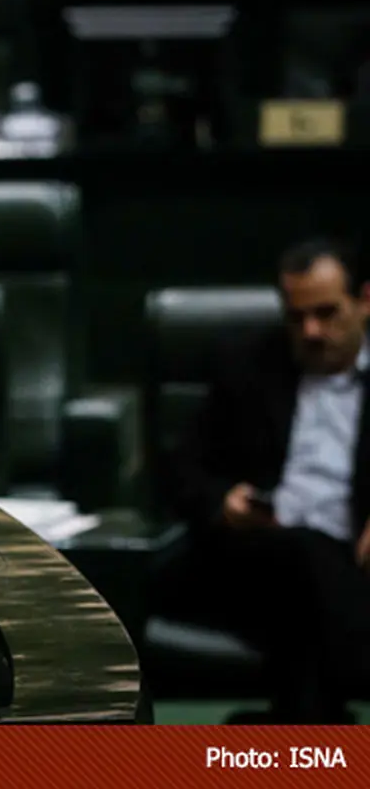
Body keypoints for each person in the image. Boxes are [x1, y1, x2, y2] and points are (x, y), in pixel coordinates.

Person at [167, 238, 370, 723]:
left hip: (352, 563)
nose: (311, 331)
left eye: (326, 313)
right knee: (302, 554)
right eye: (297, 317)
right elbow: (181, 469)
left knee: (310, 587)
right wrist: (224, 500)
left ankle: (298, 730)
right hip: (259, 555)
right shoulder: (248, 364)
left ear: (365, 301)